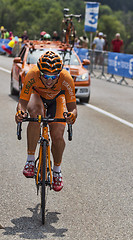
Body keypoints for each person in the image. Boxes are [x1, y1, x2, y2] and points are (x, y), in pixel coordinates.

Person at [15, 51, 77, 192]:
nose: (49, 80)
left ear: (59, 74)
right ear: (39, 72)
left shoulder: (66, 78)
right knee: (36, 115)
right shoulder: (32, 74)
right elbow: (22, 102)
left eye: (53, 77)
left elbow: (73, 108)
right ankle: (30, 160)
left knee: (57, 135)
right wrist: (20, 113)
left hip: (58, 99)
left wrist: (71, 116)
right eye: (45, 76)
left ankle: (57, 171)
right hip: (37, 96)